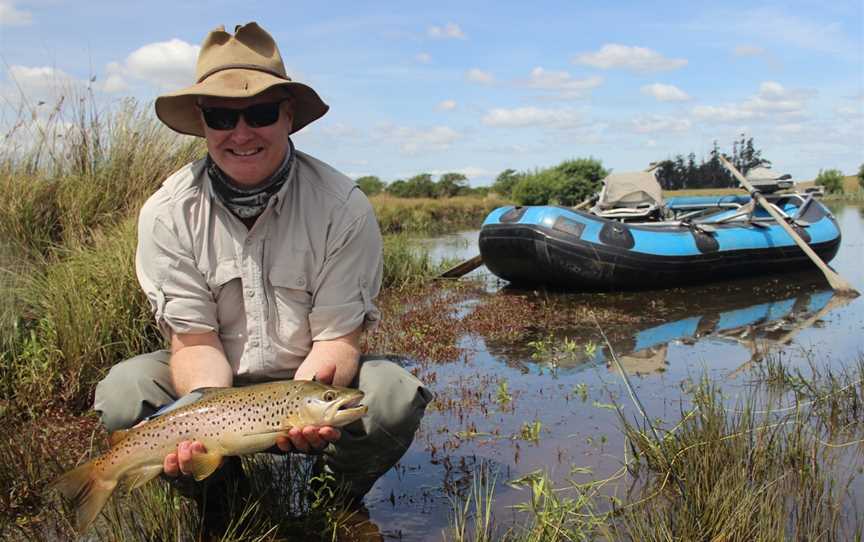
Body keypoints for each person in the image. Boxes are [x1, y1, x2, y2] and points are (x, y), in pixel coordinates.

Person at [92, 20, 432, 520]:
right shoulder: (167, 212)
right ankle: (224, 502)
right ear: (202, 122)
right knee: (124, 393)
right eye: (222, 118)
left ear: (288, 115)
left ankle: (332, 501)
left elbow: (337, 340)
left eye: (261, 112)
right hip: (211, 390)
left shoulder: (343, 207)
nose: (242, 133)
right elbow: (195, 344)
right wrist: (206, 423)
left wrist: (303, 407)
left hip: (305, 377)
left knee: (393, 394)